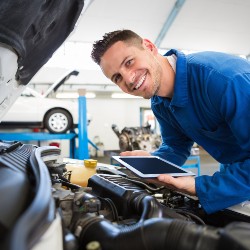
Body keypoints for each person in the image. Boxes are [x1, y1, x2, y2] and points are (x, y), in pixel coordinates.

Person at [91, 29, 250, 214]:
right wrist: (152, 163)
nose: (128, 78)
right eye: (117, 77)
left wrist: (200, 187)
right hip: (238, 174)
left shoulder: (223, 81)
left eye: (129, 62)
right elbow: (176, 146)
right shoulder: (159, 103)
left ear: (149, 47)